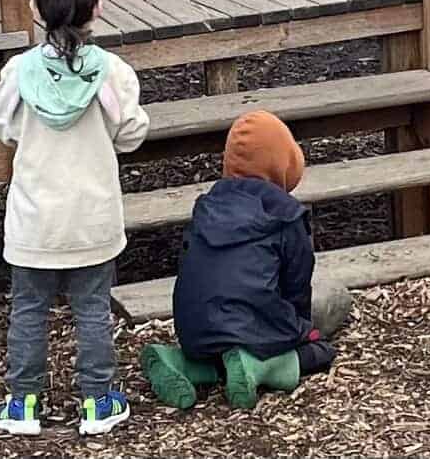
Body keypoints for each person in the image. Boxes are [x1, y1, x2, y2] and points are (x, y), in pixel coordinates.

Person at [0, 0, 149, 437]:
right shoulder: (111, 72)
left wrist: (25, 134)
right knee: (92, 309)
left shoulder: (20, 71)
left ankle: (22, 405)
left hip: (34, 221)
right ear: (96, 7)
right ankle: (98, 402)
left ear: (36, 8)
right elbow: (130, 132)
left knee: (29, 309)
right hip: (92, 219)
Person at [140, 111, 351, 411]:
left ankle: (183, 363)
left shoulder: (208, 205)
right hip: (249, 324)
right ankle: (259, 367)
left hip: (193, 329)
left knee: (226, 341)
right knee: (320, 350)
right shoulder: (287, 216)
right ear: (283, 162)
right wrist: (302, 331)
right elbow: (297, 285)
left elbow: (193, 269)